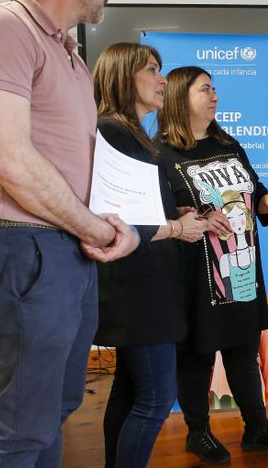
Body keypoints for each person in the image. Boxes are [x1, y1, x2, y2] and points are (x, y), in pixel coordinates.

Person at [0, 0, 142, 466]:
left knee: (54, 409)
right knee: (23, 428)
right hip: (25, 243)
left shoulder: (70, 56)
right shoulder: (1, 26)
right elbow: (12, 159)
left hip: (66, 247)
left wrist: (112, 224)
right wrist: (98, 229)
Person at [156, 66, 268, 465]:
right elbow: (160, 215)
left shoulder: (228, 144)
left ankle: (257, 429)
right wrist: (196, 217)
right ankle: (198, 433)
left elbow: (254, 189)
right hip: (195, 277)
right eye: (205, 90)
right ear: (180, 99)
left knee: (243, 350)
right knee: (196, 357)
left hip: (241, 268)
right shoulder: (161, 154)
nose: (215, 96)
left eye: (214, 89)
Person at [91, 42, 208, 468]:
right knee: (157, 397)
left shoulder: (133, 134)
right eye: (152, 71)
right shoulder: (113, 132)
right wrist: (178, 228)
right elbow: (112, 220)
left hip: (145, 283)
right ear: (124, 77)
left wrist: (175, 213)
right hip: (137, 289)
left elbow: (137, 210)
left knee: (129, 390)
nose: (163, 81)